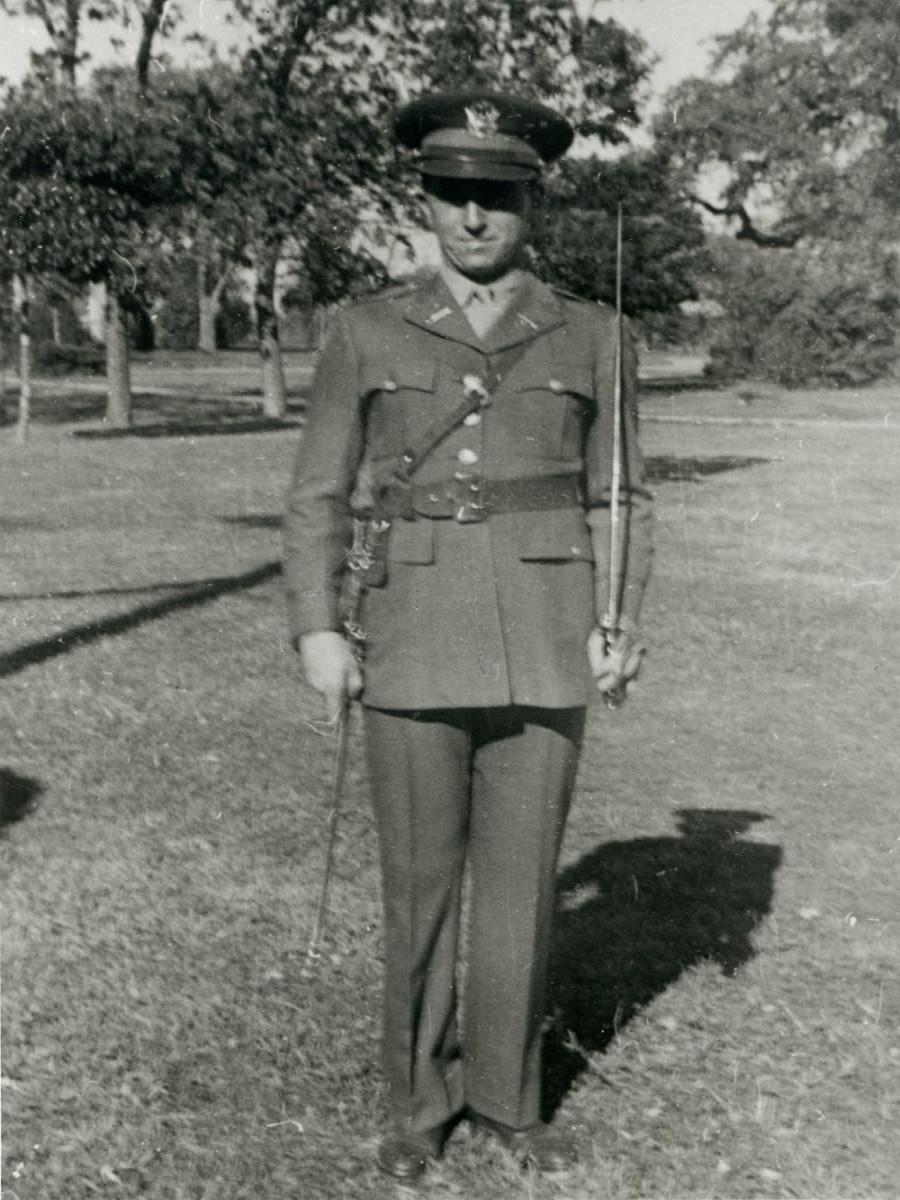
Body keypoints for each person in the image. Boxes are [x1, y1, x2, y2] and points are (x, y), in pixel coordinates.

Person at [282, 90, 653, 1183]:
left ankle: (507, 1099)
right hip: (408, 633)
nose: (475, 218)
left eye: (497, 196)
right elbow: (316, 495)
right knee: (421, 886)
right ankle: (417, 1103)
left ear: (530, 201)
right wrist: (317, 629)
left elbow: (627, 495)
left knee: (525, 883)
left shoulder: (593, 332)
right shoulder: (364, 327)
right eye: (454, 194)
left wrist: (618, 623)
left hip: (547, 636)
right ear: (426, 199)